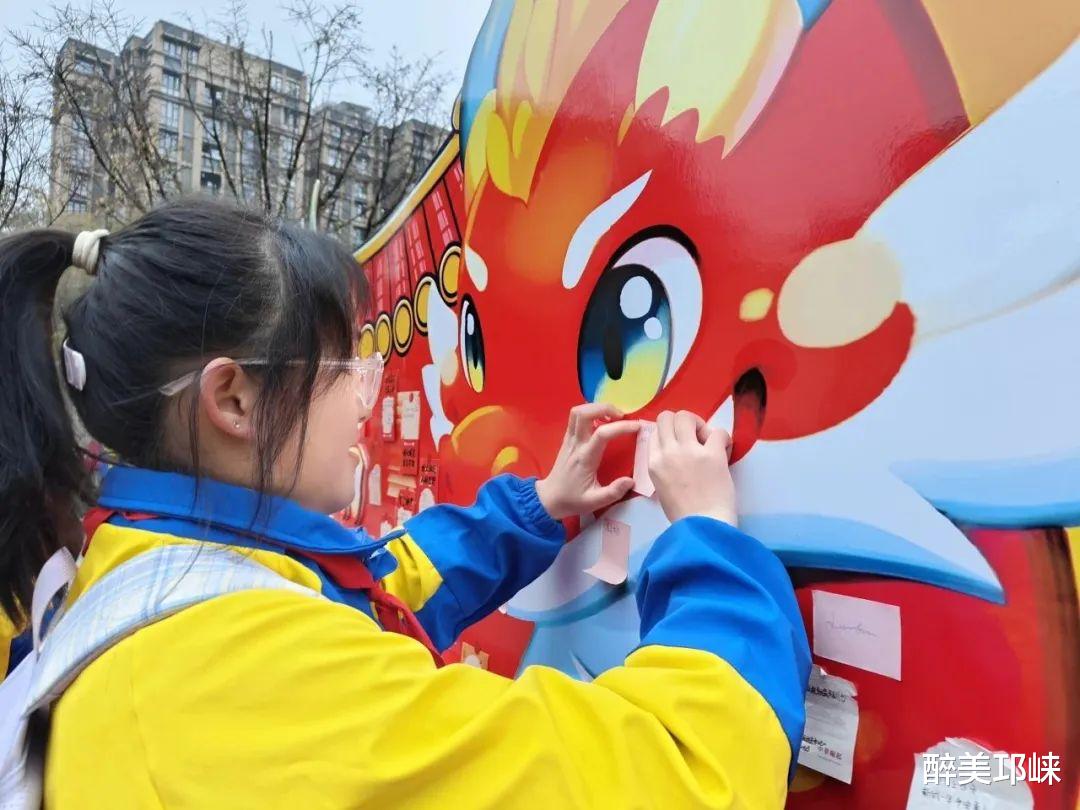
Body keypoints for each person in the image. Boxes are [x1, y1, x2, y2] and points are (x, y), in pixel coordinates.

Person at [0, 199, 810, 808]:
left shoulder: (145, 572)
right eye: (340, 371)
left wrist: (536, 508)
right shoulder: (251, 681)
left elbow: (372, 588)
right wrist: (706, 539)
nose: (362, 401)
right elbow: (685, 776)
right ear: (234, 401)